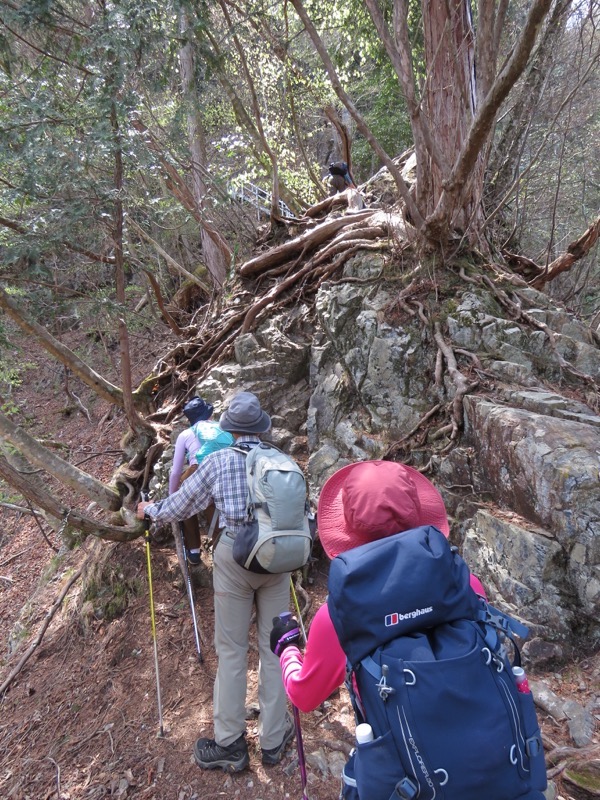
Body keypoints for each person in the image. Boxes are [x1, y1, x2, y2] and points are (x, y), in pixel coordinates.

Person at [138, 391, 294, 772]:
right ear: (260, 428)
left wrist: (149, 509)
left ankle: (229, 743)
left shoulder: (220, 460)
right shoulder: (283, 460)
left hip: (235, 559)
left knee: (231, 650)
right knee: (276, 649)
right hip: (277, 561)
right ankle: (274, 740)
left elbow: (180, 504)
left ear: (231, 429)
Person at [269, 460, 486, 713]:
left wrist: (287, 649)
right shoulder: (466, 584)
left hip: (402, 749)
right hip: (496, 737)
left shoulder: (339, 617)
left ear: (348, 527)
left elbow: (304, 696)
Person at [169, 396, 234, 565]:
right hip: (222, 474)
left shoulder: (185, 435)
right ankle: (220, 550)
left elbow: (176, 471)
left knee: (186, 503)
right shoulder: (219, 428)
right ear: (208, 415)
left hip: (197, 473)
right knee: (214, 507)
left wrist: (172, 495)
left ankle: (194, 551)